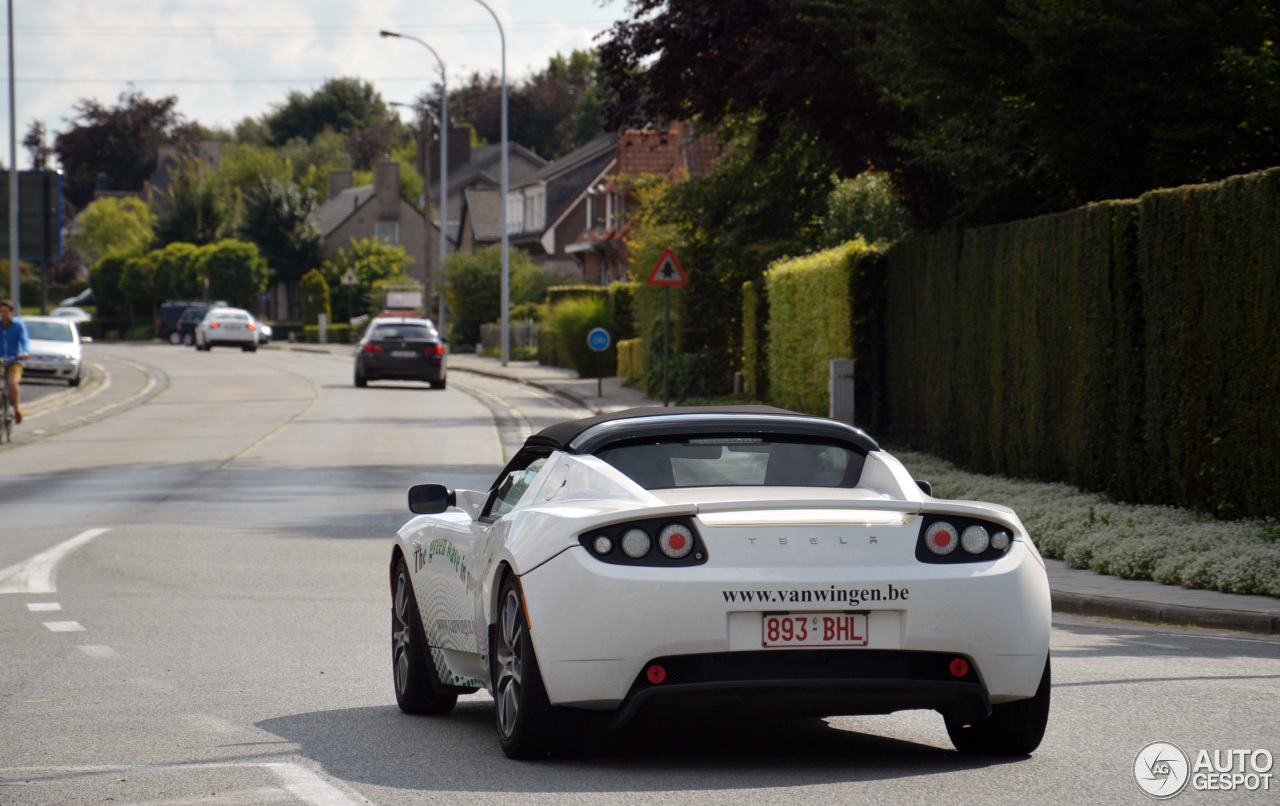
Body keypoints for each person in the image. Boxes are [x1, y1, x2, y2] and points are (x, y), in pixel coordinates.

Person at [0, 299, 30, 424]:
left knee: (12, 382)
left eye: (6, 311)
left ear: (11, 312)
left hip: (14, 359)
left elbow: (24, 341)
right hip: (1, 359)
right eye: (1, 311)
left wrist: (24, 352)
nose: (3, 314)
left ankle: (17, 409)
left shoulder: (18, 325)